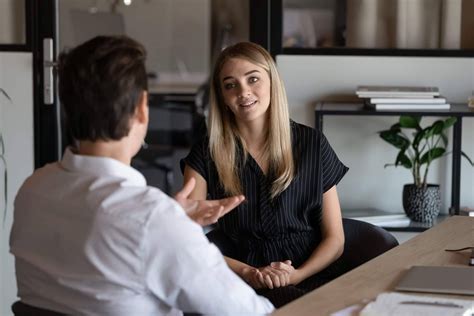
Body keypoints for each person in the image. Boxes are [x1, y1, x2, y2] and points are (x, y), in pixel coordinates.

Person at [9, 36, 274, 315]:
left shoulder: (33, 190)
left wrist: (174, 221)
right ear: (141, 108)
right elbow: (250, 312)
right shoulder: (151, 221)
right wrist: (171, 226)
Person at [182, 42, 348, 307]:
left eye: (253, 79)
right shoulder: (207, 153)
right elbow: (188, 241)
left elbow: (335, 239)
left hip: (311, 273)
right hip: (239, 278)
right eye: (230, 85)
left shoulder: (312, 144)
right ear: (222, 97)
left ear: (272, 81)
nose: (243, 92)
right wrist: (249, 273)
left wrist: (296, 275)